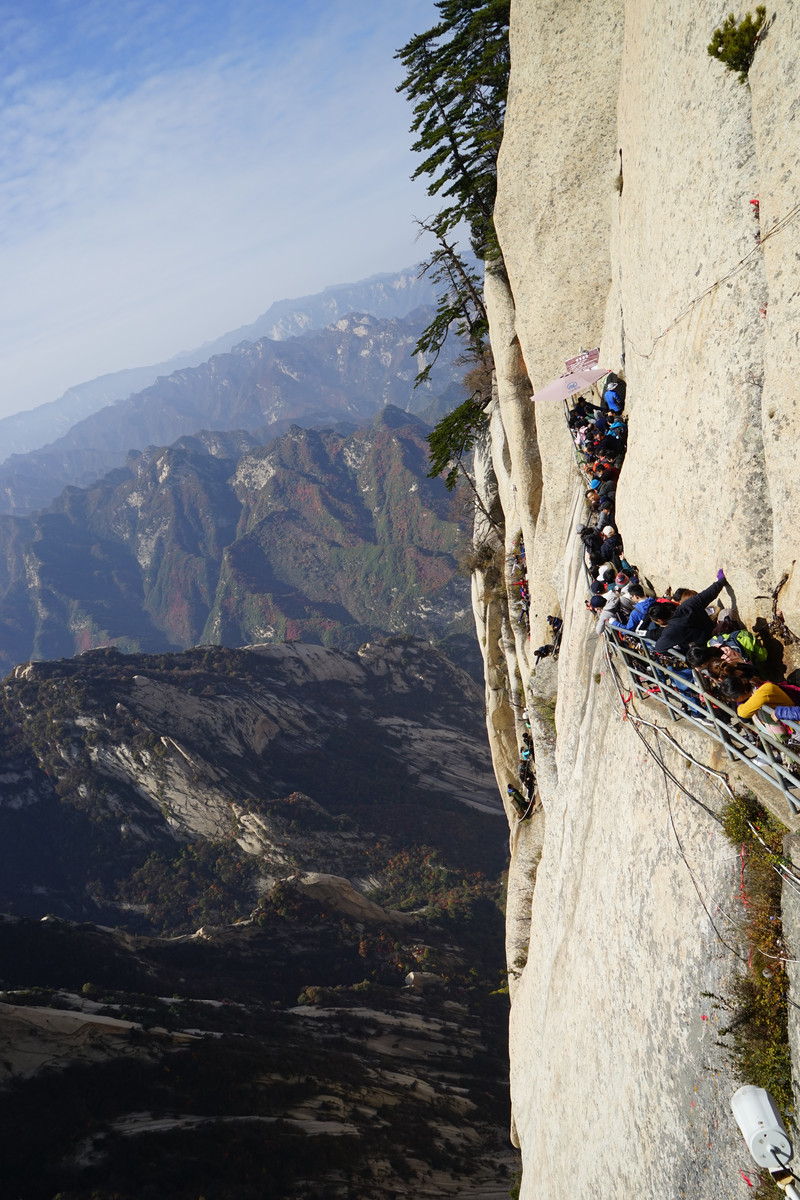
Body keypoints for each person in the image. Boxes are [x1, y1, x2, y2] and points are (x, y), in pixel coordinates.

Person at [652, 571, 727, 653]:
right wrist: (721, 580)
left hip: (706, 651)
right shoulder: (689, 604)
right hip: (717, 637)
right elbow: (710, 593)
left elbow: (659, 648)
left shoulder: (669, 631)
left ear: (660, 620)